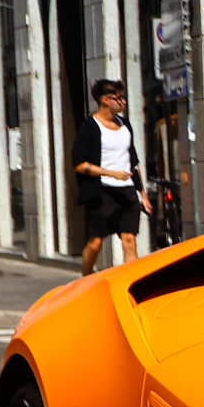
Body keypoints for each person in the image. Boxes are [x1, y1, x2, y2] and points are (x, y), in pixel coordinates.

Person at [71, 79, 147, 276]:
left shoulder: (125, 125)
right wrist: (111, 173)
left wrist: (143, 194)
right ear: (105, 100)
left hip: (128, 191)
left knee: (129, 240)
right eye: (119, 98)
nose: (123, 102)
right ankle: (85, 279)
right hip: (103, 192)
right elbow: (79, 164)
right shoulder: (89, 127)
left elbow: (133, 161)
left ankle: (132, 281)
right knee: (95, 242)